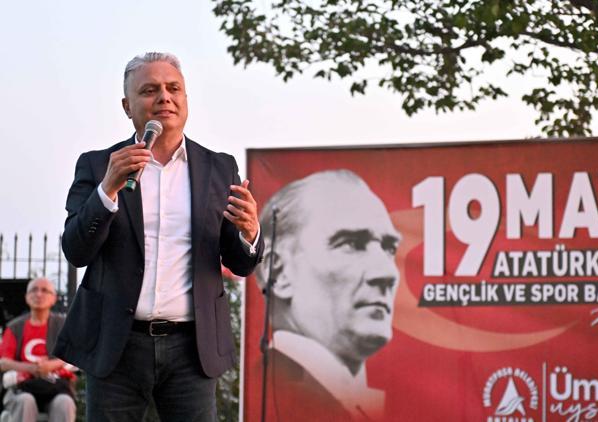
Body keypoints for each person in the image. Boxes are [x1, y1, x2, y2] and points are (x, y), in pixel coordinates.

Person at [54, 52, 264, 421]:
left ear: (186, 99)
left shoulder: (219, 167)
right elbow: (76, 250)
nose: (164, 97)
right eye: (150, 90)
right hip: (116, 344)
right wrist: (107, 190)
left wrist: (250, 233)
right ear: (127, 106)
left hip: (192, 349)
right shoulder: (98, 165)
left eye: (173, 88)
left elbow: (239, 262)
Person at [252, 169, 401, 421]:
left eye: (389, 248)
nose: (388, 273)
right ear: (278, 270)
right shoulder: (270, 398)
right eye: (351, 243)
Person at [0, 278, 76, 422]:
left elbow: (75, 355)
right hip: (20, 388)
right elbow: (3, 362)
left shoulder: (63, 325)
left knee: (64, 403)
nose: (39, 294)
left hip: (56, 386)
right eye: (34, 290)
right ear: (26, 297)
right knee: (25, 401)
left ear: (53, 298)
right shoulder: (14, 327)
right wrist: (32, 368)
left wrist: (50, 365)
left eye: (44, 290)